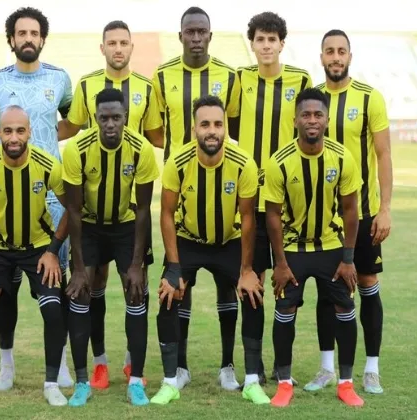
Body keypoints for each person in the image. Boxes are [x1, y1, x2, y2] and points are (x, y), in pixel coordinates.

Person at [0, 7, 74, 389]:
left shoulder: (59, 78)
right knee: (7, 287)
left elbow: (74, 121)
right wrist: (0, 150)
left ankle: (60, 364)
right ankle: (6, 363)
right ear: (11, 39)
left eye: (34, 33)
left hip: (52, 201)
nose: (28, 38)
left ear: (42, 38)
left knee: (56, 283)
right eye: (21, 33)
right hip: (9, 198)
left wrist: (45, 138)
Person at [63, 19, 163, 389]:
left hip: (126, 220)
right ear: (102, 47)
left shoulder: (145, 97)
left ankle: (133, 366)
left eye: (124, 42)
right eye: (112, 43)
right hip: (91, 221)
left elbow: (155, 136)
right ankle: (98, 363)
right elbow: (71, 128)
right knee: (90, 284)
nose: (118, 48)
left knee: (136, 285)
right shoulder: (85, 90)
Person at [149, 95, 267, 405]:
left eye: (217, 124)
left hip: (229, 241)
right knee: (168, 293)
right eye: (205, 124)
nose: (212, 130)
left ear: (225, 127)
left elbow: (248, 218)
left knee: (253, 294)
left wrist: (246, 270)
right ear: (194, 130)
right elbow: (166, 214)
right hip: (189, 240)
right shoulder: (177, 162)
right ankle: (172, 379)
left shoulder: (243, 163)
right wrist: (174, 268)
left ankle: (248, 379)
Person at [151, 6, 242, 391]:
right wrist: (182, 154)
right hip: (182, 195)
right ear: (180, 36)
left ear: (210, 35)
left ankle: (228, 367)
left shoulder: (229, 77)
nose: (196, 37)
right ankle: (180, 368)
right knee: (176, 287)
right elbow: (155, 131)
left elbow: (231, 128)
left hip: (224, 196)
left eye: (201, 31)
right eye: (189, 31)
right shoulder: (162, 76)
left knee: (228, 285)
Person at [0, 106, 70, 406]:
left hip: (38, 248)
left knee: (53, 310)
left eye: (20, 131)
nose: (13, 137)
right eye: (7, 131)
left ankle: (52, 383)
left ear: (29, 132)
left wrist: (53, 251)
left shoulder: (47, 164)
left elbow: (73, 208)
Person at [264, 88, 364, 407]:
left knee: (344, 309)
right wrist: (280, 263)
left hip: (331, 247)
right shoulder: (279, 162)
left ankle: (346, 384)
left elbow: (351, 210)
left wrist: (348, 258)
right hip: (292, 250)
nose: (312, 120)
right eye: (305, 115)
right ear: (295, 120)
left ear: (327, 120)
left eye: (318, 115)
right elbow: (272, 215)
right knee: (285, 310)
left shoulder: (341, 157)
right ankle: (284, 383)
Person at [306, 29, 392, 394]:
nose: (336, 57)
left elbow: (384, 154)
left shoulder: (370, 97)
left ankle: (371, 369)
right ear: (322, 57)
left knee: (368, 284)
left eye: (341, 51)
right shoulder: (312, 100)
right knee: (328, 288)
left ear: (350, 57)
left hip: (364, 212)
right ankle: (327, 368)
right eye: (330, 51)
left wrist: (385, 209)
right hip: (324, 217)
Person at [230, 11, 313, 385]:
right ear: (252, 44)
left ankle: (283, 365)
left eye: (272, 39)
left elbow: (308, 126)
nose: (266, 46)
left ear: (282, 43)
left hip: (287, 200)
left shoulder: (300, 79)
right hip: (250, 199)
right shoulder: (241, 79)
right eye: (260, 39)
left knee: (286, 283)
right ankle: (254, 366)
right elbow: (232, 125)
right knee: (252, 280)